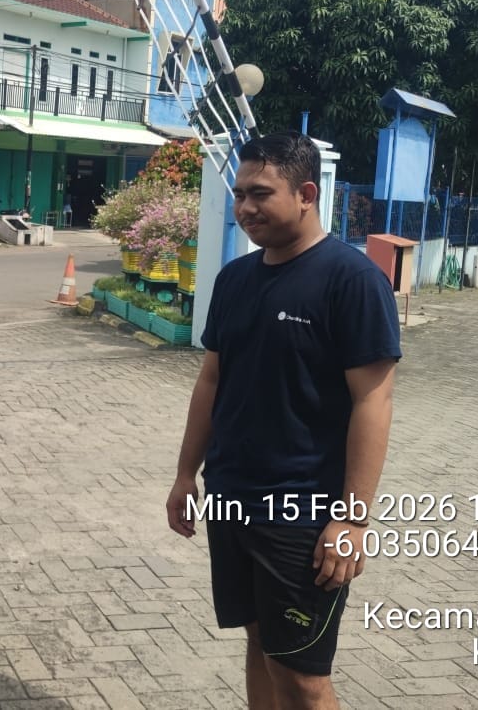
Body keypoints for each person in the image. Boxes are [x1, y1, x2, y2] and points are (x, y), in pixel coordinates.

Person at [165, 132, 400, 709]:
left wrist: (353, 520)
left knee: (302, 676)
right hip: (231, 498)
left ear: (306, 195)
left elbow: (374, 402)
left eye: (261, 194)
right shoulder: (235, 279)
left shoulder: (351, 281)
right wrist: (185, 475)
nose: (245, 207)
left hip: (302, 513)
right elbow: (212, 381)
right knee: (260, 643)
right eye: (239, 194)